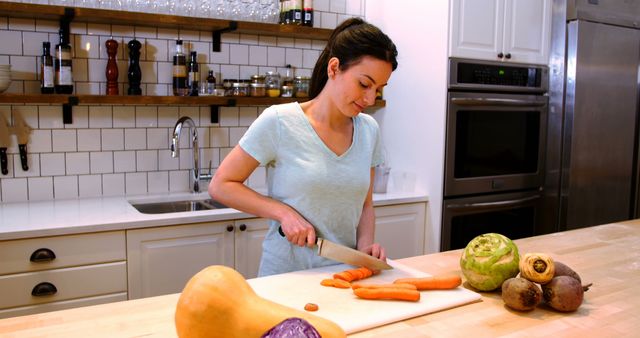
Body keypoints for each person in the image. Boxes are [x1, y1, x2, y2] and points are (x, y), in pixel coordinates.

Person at [208, 18, 398, 276]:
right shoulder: (279, 121)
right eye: (364, 84)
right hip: (285, 278)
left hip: (346, 277)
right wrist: (283, 213)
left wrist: (365, 247)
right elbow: (221, 185)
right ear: (334, 68)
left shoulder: (369, 130)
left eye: (378, 89)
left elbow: (365, 205)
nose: (369, 98)